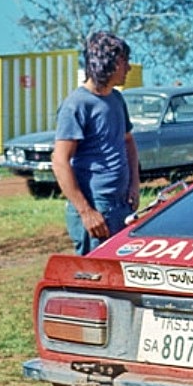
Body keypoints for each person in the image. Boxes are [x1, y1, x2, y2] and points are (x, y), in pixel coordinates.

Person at [52, 32, 140, 256]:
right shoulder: (77, 105)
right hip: (97, 207)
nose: (128, 69)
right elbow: (60, 161)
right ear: (107, 64)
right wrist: (86, 212)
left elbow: (128, 142)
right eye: (124, 63)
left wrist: (134, 185)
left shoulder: (117, 99)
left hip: (121, 205)